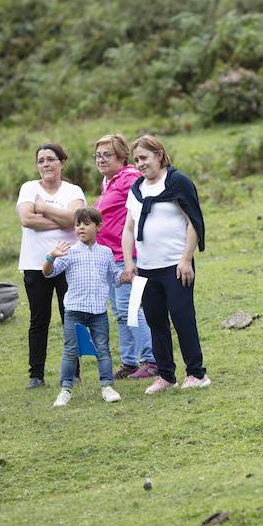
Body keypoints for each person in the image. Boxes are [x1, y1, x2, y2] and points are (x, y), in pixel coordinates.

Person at [121, 135, 210, 393]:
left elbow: (194, 221)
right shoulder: (136, 189)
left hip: (175, 266)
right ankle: (165, 375)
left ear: (159, 155)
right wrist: (129, 264)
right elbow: (128, 229)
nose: (140, 164)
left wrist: (186, 259)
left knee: (182, 318)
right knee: (155, 321)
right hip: (146, 269)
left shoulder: (177, 182)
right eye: (136, 159)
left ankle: (197, 373)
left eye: (144, 158)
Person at [16, 144, 85, 389]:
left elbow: (75, 218)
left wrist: (43, 209)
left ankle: (74, 371)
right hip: (36, 263)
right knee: (39, 318)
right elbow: (26, 219)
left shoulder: (73, 190)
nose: (46, 164)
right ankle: (36, 374)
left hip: (69, 262)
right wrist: (63, 221)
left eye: (51, 159)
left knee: (71, 316)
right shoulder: (28, 188)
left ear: (62, 163)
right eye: (41, 160)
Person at [44, 208, 125, 406]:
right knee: (71, 350)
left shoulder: (106, 253)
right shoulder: (69, 252)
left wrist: (127, 275)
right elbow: (48, 273)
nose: (80, 227)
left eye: (86, 223)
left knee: (103, 349)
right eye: (77, 224)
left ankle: (107, 386)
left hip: (98, 312)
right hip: (74, 311)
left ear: (98, 227)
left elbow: (115, 277)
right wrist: (51, 257)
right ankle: (65, 389)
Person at [93, 134, 157, 380]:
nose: (101, 159)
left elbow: (146, 198)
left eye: (107, 154)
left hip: (126, 256)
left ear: (121, 157)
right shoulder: (108, 181)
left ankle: (151, 360)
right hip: (110, 257)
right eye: (98, 155)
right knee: (120, 312)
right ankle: (129, 362)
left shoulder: (129, 177)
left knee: (131, 308)